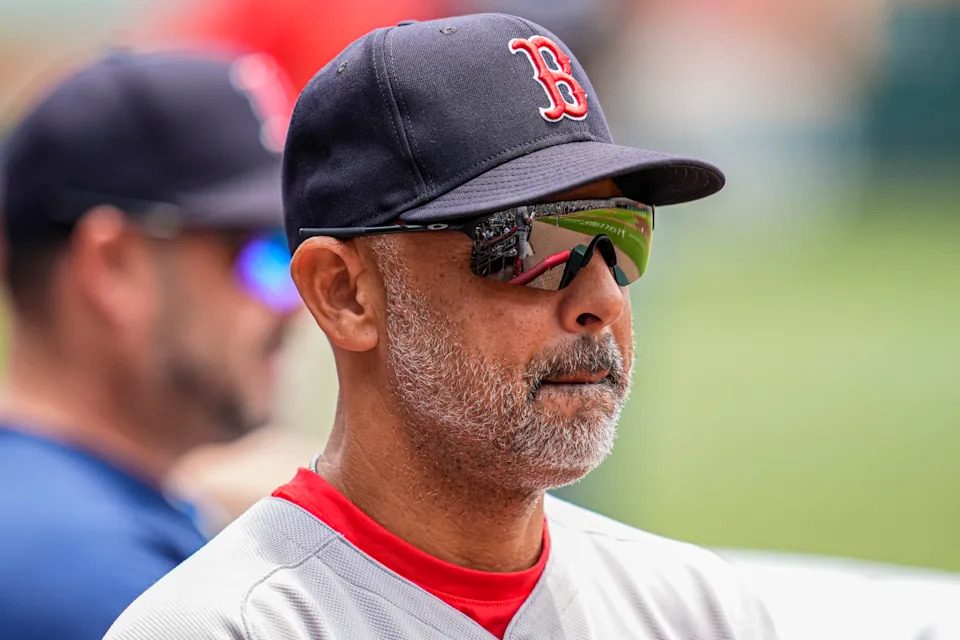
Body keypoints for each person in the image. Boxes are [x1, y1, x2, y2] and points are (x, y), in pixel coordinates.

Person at [105, 15, 778, 640]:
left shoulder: (694, 608)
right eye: (533, 245)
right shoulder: (223, 626)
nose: (601, 298)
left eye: (621, 237)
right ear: (345, 295)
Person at [0, 51, 300, 639]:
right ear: (112, 268)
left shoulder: (69, 512)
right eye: (264, 252)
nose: (295, 300)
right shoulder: (106, 581)